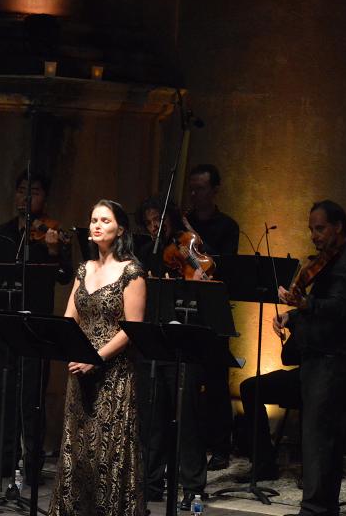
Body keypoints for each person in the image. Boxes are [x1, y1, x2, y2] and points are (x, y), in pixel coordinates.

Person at [49, 199, 145, 516]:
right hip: (80, 369)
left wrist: (95, 358)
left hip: (113, 373)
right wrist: (73, 350)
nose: (97, 225)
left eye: (105, 220)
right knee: (77, 447)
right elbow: (69, 317)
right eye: (93, 220)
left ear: (121, 229)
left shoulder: (132, 272)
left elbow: (132, 329)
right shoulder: (83, 268)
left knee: (107, 451)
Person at [0, 171, 73, 484]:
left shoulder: (52, 234)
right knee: (3, 394)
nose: (26, 197)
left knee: (32, 397)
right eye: (21, 191)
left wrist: (55, 251)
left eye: (34, 192)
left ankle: (32, 466)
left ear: (45, 198)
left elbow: (65, 277)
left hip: (35, 327)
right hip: (1, 324)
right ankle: (5, 461)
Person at [275, 200, 346, 515]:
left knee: (320, 439)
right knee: (317, 437)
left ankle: (315, 510)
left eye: (320, 228)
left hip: (333, 361)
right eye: (311, 228)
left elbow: (338, 311)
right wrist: (292, 315)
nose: (314, 235)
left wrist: (304, 306)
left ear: (338, 226)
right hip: (318, 357)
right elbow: (317, 306)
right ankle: (320, 508)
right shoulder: (330, 261)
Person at [134, 195, 209, 505]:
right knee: (151, 417)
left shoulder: (187, 242)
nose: (155, 227)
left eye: (160, 220)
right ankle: (151, 484)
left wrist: (198, 277)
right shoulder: (143, 253)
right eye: (150, 222)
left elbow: (205, 269)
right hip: (153, 341)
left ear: (171, 220)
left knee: (187, 418)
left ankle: (192, 486)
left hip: (185, 341)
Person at [185, 164, 240, 471]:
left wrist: (198, 242)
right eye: (191, 188)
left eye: (201, 188)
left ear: (215, 191)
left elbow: (225, 265)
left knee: (217, 381)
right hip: (187, 308)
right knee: (188, 382)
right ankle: (189, 442)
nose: (194, 194)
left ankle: (221, 447)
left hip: (215, 310)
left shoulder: (228, 226)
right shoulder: (184, 222)